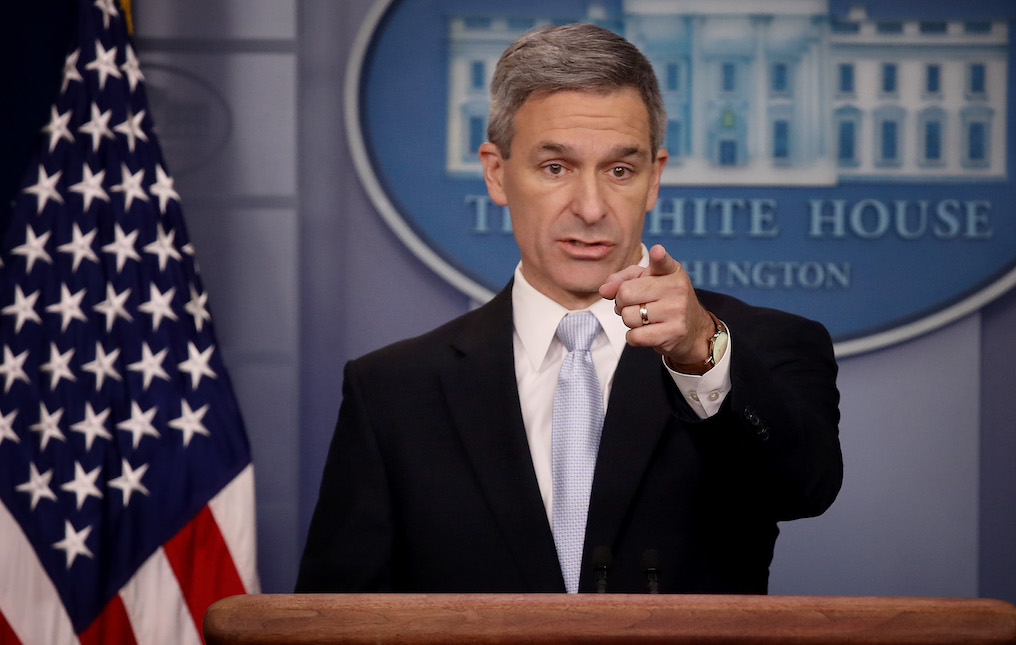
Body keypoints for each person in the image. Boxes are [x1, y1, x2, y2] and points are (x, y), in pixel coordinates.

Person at [296, 23, 841, 595]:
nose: (589, 207)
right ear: (497, 173)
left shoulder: (755, 348)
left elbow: (805, 490)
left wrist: (700, 356)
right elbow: (333, 617)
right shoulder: (392, 391)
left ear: (654, 180)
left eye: (620, 170)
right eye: (555, 168)